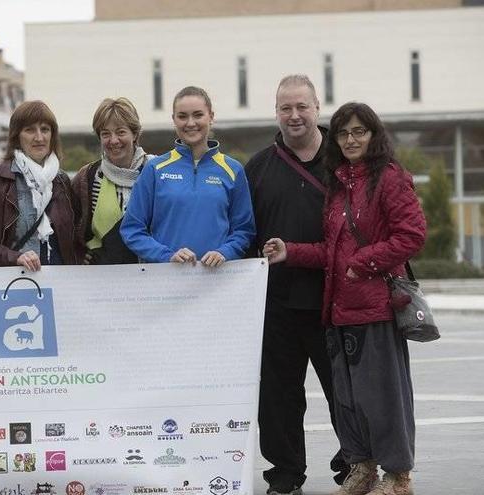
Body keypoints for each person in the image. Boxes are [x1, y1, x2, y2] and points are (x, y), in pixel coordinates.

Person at [264, 102, 426, 495]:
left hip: (377, 308)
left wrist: (365, 261)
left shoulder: (388, 178)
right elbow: (331, 250)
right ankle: (363, 469)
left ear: (374, 135)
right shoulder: (339, 184)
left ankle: (398, 476)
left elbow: (412, 235)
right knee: (351, 401)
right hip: (339, 309)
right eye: (343, 133)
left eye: (359, 131)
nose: (351, 140)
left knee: (383, 398)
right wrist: (291, 251)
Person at [245, 75, 348, 495]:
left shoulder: (344, 164)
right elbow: (242, 233)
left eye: (301, 106)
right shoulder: (258, 167)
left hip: (335, 303)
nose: (294, 115)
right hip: (276, 306)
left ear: (318, 107)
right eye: (285, 108)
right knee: (278, 400)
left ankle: (354, 467)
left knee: (346, 395)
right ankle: (285, 476)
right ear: (276, 112)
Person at [120, 86, 255, 266]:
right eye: (182, 116)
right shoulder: (155, 168)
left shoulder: (233, 170)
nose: (190, 123)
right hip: (167, 281)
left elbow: (244, 230)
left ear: (211, 117)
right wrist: (166, 255)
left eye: (198, 115)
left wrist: (225, 252)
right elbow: (132, 229)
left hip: (218, 283)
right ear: (174, 120)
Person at [0, 100, 79, 270]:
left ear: (52, 135)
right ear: (16, 136)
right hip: (14, 279)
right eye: (29, 130)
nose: (39, 137)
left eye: (45, 129)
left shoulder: (61, 181)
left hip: (59, 281)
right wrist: (16, 258)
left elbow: (73, 234)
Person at [72, 97, 153, 264]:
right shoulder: (88, 177)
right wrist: (79, 253)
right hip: (105, 280)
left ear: (135, 133)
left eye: (121, 132)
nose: (113, 140)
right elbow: (70, 227)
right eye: (105, 134)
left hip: (154, 275)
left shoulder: (157, 171)